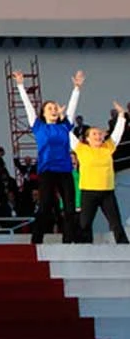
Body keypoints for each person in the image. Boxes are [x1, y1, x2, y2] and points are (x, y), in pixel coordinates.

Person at [13, 69, 83, 243]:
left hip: (65, 171)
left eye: (55, 108)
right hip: (47, 171)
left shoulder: (64, 126)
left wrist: (76, 88)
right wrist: (20, 85)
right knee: (45, 206)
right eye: (49, 108)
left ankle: (68, 240)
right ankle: (36, 240)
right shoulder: (39, 126)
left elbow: (72, 108)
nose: (53, 110)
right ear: (43, 113)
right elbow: (28, 107)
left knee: (69, 208)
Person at [71, 102, 128, 244]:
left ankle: (124, 246)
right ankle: (85, 247)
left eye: (100, 134)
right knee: (85, 223)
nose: (98, 136)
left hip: (107, 192)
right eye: (94, 134)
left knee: (115, 222)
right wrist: (62, 118)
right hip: (88, 191)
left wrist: (121, 115)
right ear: (87, 138)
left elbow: (118, 133)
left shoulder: (108, 147)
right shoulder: (81, 149)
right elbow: (67, 133)